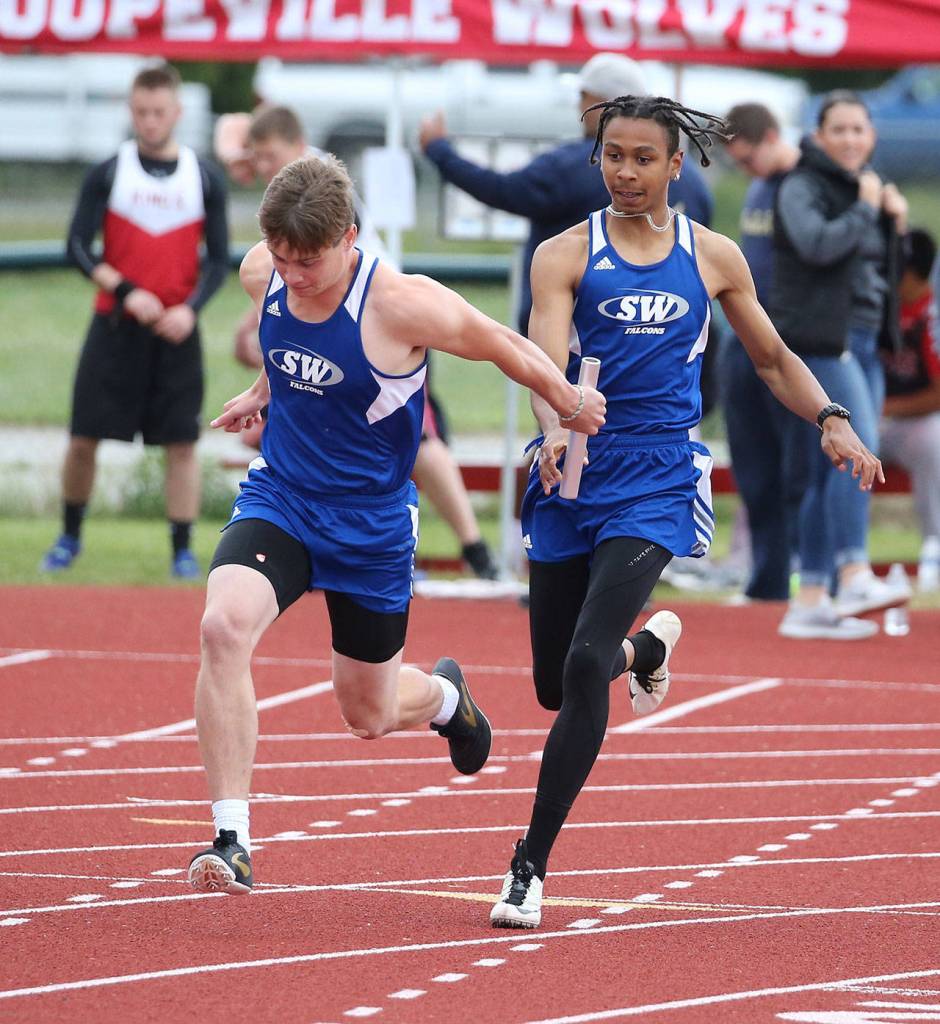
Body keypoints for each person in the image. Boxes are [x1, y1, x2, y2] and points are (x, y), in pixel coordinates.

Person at [487, 95, 883, 930]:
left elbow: (772, 357)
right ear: (596, 160)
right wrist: (554, 425)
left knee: (588, 663)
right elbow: (541, 359)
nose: (625, 172)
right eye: (612, 156)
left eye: (642, 158)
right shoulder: (563, 256)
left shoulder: (714, 256)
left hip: (657, 477)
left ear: (677, 166)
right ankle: (651, 645)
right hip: (573, 473)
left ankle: (529, 865)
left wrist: (833, 422)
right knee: (558, 684)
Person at [185, 154, 606, 895]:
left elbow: (502, 344)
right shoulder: (268, 272)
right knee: (223, 628)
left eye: (308, 262)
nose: (291, 274)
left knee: (368, 713)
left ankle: (447, 699)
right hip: (282, 498)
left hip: (371, 525)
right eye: (280, 257)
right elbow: (288, 346)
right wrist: (261, 390)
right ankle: (231, 836)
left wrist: (566, 400)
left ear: (350, 238)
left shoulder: (403, 304)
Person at [217, 105, 500, 579]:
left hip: (379, 332)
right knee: (300, 432)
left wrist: (565, 400)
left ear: (296, 143)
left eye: (269, 156)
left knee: (422, 443)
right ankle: (304, 546)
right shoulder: (290, 197)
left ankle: (473, 549)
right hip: (328, 329)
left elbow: (312, 276)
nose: (263, 167)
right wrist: (264, 376)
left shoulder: (317, 190)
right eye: (258, 158)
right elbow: (295, 278)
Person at [39, 64, 229, 579]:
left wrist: (189, 311)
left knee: (182, 444)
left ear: (177, 112)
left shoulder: (204, 176)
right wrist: (125, 291)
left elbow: (218, 260)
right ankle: (69, 537)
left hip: (176, 332)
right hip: (115, 327)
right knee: (83, 438)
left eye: (159, 112)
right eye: (141, 112)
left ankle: (182, 550)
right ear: (131, 110)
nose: (150, 121)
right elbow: (77, 247)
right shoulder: (107, 172)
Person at [419, 53, 713, 337]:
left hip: (580, 341)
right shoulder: (694, 182)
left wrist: (440, 152)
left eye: (583, 96)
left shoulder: (574, 165)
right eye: (613, 157)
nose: (625, 174)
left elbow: (503, 190)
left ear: (601, 104)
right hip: (675, 346)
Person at [772, 90, 911, 639]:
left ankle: (809, 598)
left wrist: (893, 226)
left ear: (872, 136)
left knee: (827, 466)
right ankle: (853, 569)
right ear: (820, 135)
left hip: (865, 338)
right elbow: (818, 246)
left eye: (860, 129)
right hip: (824, 340)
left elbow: (876, 274)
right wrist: (868, 209)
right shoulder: (804, 185)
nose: (852, 139)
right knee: (858, 449)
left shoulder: (864, 188)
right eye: (841, 129)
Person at [716, 103, 801, 601]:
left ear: (771, 137)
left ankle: (812, 578)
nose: (745, 169)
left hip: (787, 344)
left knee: (797, 472)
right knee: (754, 470)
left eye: (749, 158)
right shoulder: (759, 187)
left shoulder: (807, 183)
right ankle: (767, 581)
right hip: (743, 341)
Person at [879, 228, 940, 591]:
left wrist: (884, 407)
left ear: (913, 272)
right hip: (876, 425)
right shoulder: (882, 311)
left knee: (935, 440)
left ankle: (936, 547)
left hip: (918, 423)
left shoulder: (930, 317)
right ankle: (835, 556)